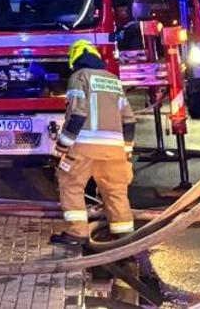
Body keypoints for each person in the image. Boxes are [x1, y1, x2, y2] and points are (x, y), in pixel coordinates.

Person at [51, 39, 138, 249]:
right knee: (116, 192)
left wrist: (62, 145)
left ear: (75, 59)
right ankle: (124, 238)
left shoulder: (79, 77)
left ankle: (78, 233)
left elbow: (78, 114)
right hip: (115, 150)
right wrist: (126, 150)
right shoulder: (113, 80)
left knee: (70, 184)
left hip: (85, 147)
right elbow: (129, 120)